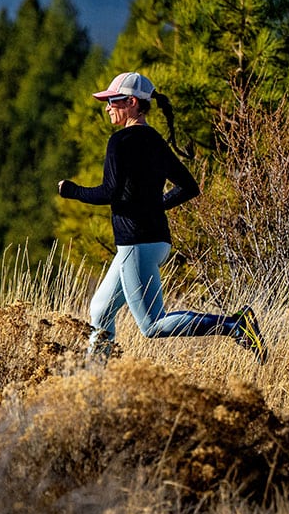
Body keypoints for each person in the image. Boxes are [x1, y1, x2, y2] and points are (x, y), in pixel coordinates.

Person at [58, 71, 267, 363]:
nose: (107, 107)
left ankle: (235, 325)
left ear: (131, 102)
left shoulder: (120, 142)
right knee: (101, 309)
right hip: (154, 241)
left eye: (112, 101)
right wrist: (155, 206)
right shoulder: (155, 140)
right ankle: (94, 379)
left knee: (152, 325)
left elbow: (109, 193)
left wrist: (72, 190)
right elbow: (189, 187)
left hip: (136, 244)